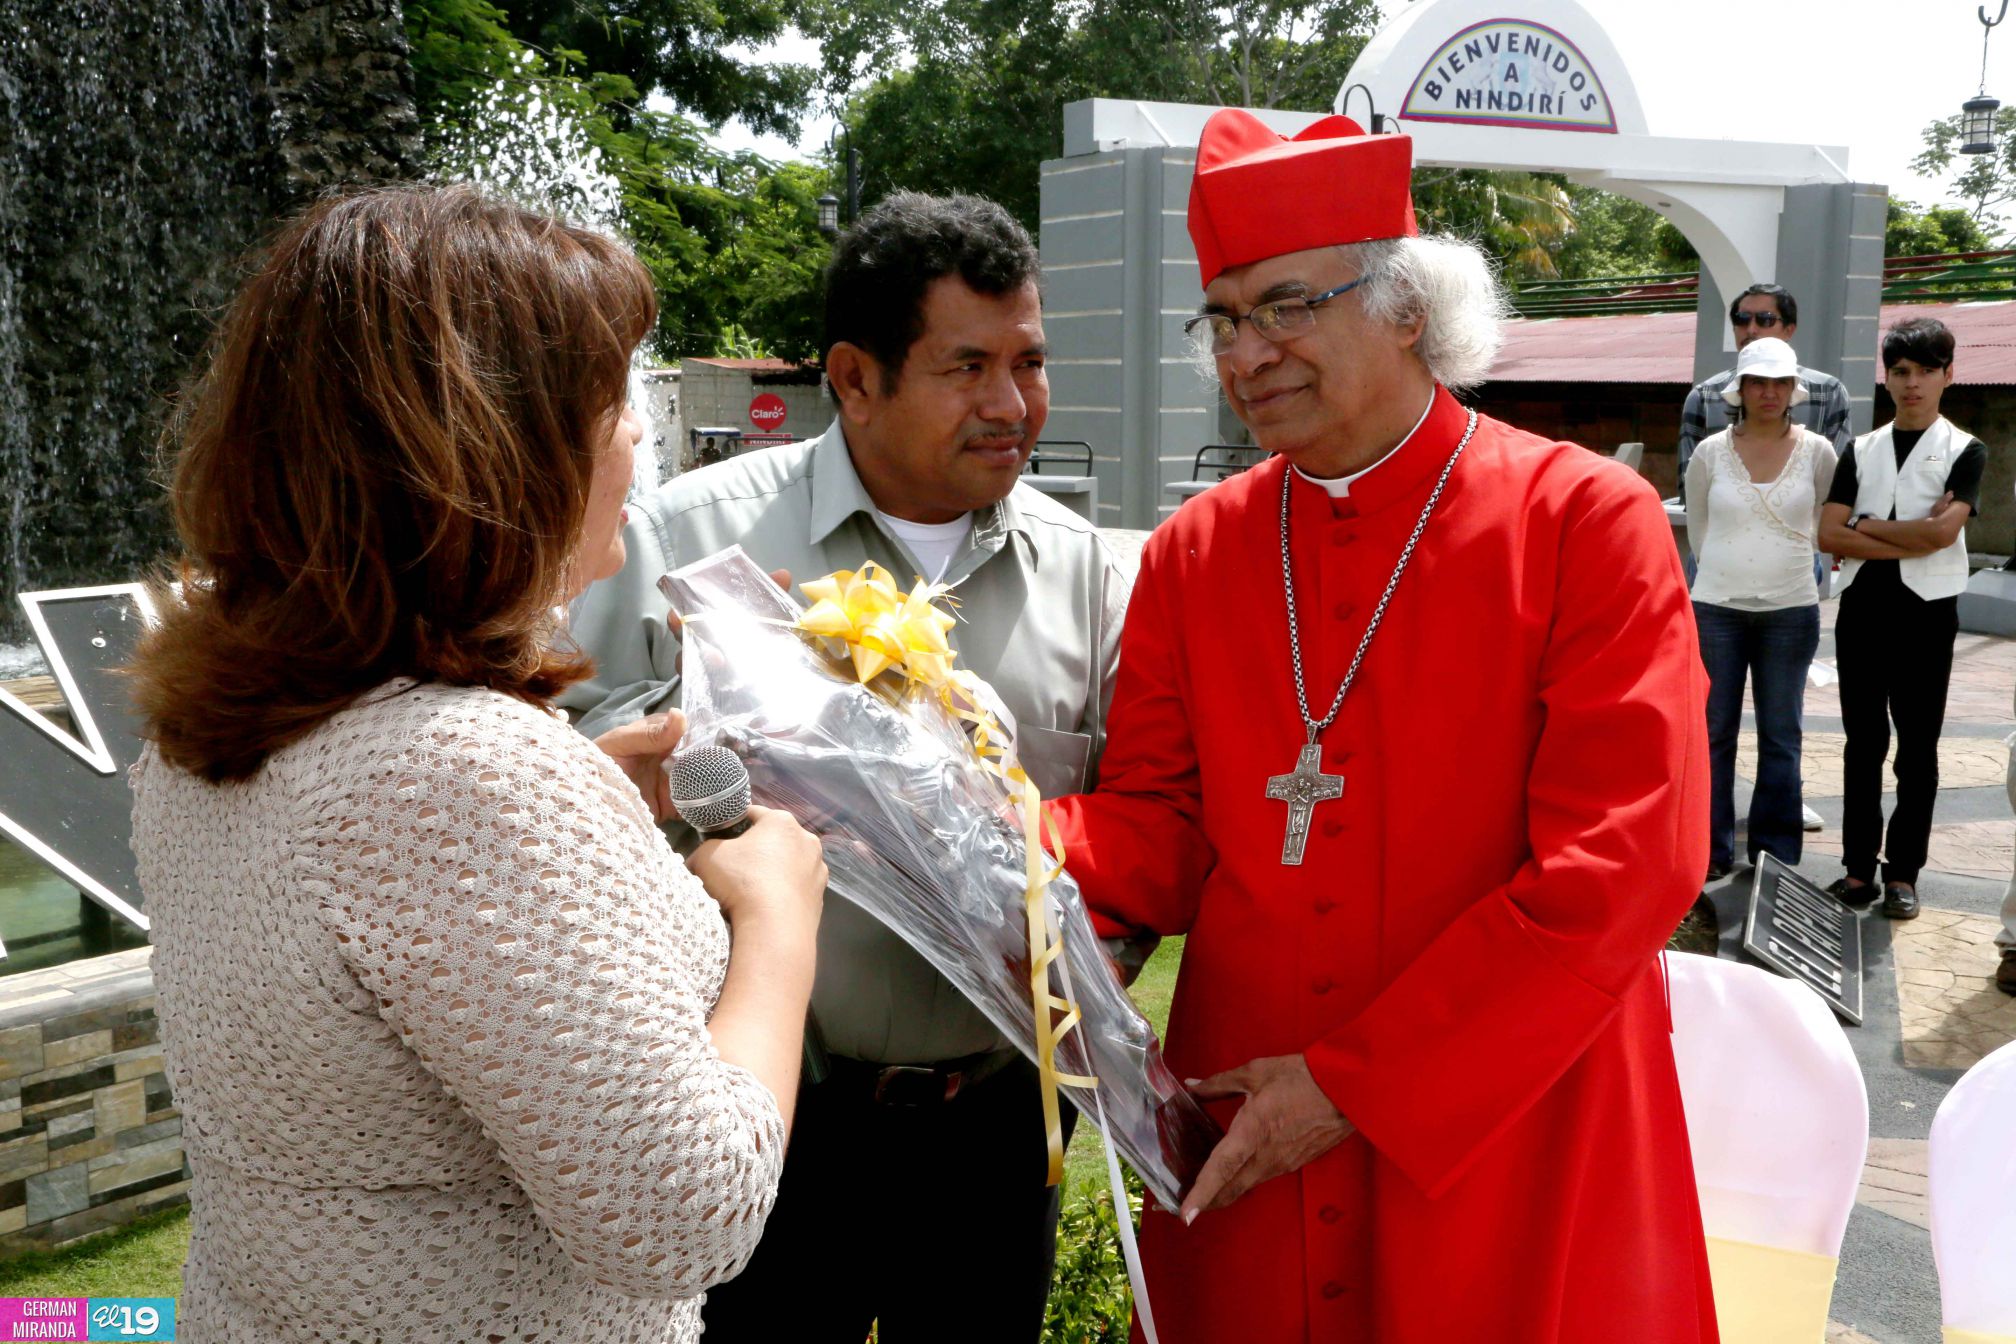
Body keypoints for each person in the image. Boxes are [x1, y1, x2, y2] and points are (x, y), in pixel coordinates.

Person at [1045, 111, 1715, 1342]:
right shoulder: (1197, 551)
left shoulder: (1584, 520)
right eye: (1223, 320)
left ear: (1408, 308)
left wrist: (1358, 1084)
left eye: (1285, 307)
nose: (1246, 354)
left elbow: (1624, 863)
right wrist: (992, 842)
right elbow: (1161, 825)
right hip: (1251, 1109)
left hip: (1506, 1115)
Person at [125, 186, 829, 1342]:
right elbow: (685, 1215)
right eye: (610, 401)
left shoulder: (229, 727)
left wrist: (593, 812)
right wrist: (779, 919)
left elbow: (376, 972)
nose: (639, 437)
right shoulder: (460, 777)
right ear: (495, 449)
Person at [562, 191, 1132, 1344]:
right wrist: (711, 752)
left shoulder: (1088, 577)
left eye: (1030, 362)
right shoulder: (684, 542)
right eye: (967, 367)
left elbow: (1134, 821)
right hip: (767, 1122)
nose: (1012, 405)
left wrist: (1092, 981)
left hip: (995, 1137)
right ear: (855, 379)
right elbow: (561, 787)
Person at [1819, 316, 1984, 921]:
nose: (1912, 383)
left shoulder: (1965, 449)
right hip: (1862, 610)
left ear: (1948, 375)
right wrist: (1909, 535)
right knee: (1862, 743)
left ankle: (1903, 874)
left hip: (1927, 614)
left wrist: (1863, 528)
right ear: (1886, 378)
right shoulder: (1860, 449)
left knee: (1918, 748)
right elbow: (1826, 533)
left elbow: (1942, 536)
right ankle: (1857, 868)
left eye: (1926, 371)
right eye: (1901, 371)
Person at [1679, 282, 1853, 835]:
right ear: (1741, 389)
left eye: (1780, 383)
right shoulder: (1710, 453)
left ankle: (1774, 849)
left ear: (1794, 390)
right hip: (1717, 609)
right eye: (1757, 382)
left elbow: (1827, 518)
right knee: (1713, 731)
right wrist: (1727, 572)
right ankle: (1709, 847)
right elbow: (1699, 530)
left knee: (1782, 733)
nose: (1769, 393)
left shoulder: (1817, 451)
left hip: (1790, 609)